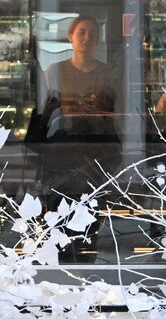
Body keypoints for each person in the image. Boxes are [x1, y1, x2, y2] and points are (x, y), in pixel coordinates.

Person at [36, 15, 119, 258]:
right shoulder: (56, 70)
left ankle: (86, 263)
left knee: (89, 220)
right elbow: (47, 110)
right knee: (58, 219)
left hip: (95, 153)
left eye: (92, 33)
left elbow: (112, 111)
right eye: (81, 32)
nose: (87, 37)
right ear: (70, 37)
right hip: (61, 153)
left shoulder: (107, 73)